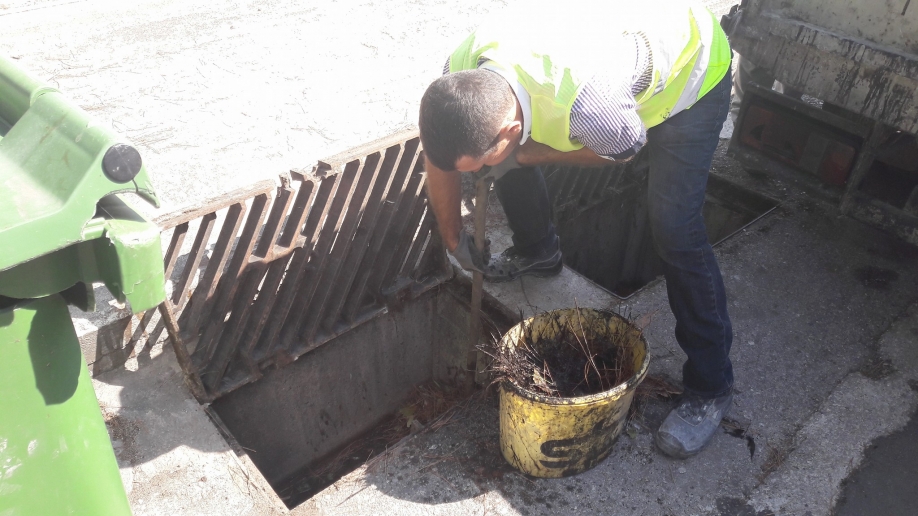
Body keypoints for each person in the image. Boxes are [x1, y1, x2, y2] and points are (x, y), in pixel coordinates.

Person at [419, 0, 735, 459]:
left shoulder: (590, 109)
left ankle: (711, 388)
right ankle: (539, 252)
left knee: (674, 229)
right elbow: (442, 160)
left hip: (689, 78)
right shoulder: (460, 75)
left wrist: (527, 155)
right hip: (601, 60)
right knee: (504, 161)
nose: (475, 176)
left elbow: (625, 147)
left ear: (509, 129)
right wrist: (453, 239)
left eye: (486, 158)